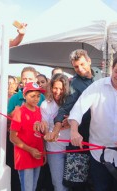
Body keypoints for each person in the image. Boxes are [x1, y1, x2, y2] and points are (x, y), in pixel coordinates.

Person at [68, 53, 117, 191]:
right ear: (112, 68)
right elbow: (78, 109)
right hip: (99, 155)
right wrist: (74, 131)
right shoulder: (97, 87)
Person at [45, 49, 101, 190]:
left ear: (89, 61)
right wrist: (55, 130)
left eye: (82, 64)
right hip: (81, 137)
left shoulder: (101, 76)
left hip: (101, 137)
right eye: (76, 67)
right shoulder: (74, 84)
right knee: (78, 181)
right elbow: (64, 109)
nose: (80, 69)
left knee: (99, 180)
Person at [7, 66, 46, 191]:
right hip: (25, 156)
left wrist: (43, 151)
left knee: (32, 188)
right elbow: (13, 137)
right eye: (32, 96)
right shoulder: (19, 112)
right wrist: (30, 150)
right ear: (24, 95)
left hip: (37, 154)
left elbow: (40, 134)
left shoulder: (40, 111)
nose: (36, 99)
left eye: (38, 96)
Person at [40, 73, 70, 191]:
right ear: (51, 87)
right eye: (55, 88)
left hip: (72, 148)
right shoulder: (45, 105)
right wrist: (47, 134)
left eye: (61, 89)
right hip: (54, 150)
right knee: (59, 185)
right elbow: (45, 124)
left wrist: (70, 121)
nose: (58, 91)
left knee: (73, 183)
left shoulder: (70, 103)